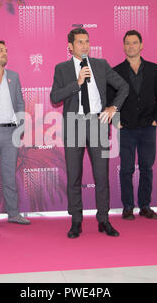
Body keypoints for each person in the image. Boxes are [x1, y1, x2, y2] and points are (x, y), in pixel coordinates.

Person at [51, 28, 129, 239]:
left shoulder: (100, 65)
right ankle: (76, 221)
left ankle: (104, 220)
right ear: (70, 46)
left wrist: (114, 108)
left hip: (97, 123)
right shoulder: (62, 68)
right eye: (79, 42)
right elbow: (54, 97)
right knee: (74, 177)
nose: (85, 46)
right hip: (74, 124)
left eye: (87, 41)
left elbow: (123, 87)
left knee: (102, 176)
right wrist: (76, 83)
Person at [108, 30, 157, 220]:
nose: (130, 46)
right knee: (126, 169)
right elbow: (110, 100)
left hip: (148, 127)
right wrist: (117, 122)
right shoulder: (116, 71)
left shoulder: (154, 69)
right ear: (123, 46)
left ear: (141, 45)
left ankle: (145, 206)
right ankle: (127, 206)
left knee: (146, 167)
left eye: (134, 43)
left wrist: (156, 119)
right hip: (127, 128)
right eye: (127, 43)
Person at [0, 40, 30, 226]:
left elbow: (20, 102)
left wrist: (20, 127)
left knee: (10, 176)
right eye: (0, 50)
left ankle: (13, 213)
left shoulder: (14, 76)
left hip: (11, 132)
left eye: (6, 50)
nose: (5, 53)